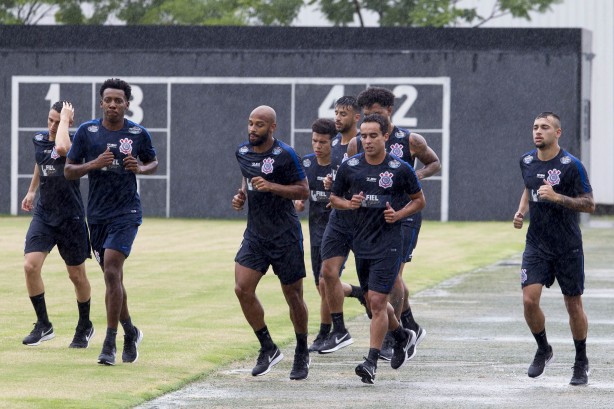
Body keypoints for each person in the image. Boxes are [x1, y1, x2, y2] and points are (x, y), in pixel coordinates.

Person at [65, 78, 158, 366]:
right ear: (101, 102)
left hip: (126, 213)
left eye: (119, 100)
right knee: (112, 277)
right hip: (97, 216)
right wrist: (94, 163)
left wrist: (140, 168)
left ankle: (110, 342)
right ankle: (131, 331)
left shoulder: (138, 133)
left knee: (112, 270)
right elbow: (68, 170)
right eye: (109, 100)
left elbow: (153, 162)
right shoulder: (87, 132)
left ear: (127, 104)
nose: (114, 104)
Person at [331, 113, 425, 384]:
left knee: (376, 302)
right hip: (362, 242)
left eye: (374, 135)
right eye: (363, 135)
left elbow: (419, 201)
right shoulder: (350, 166)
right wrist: (349, 204)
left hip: (389, 243)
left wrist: (399, 214)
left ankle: (371, 361)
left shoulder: (400, 168)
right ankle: (401, 335)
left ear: (385, 136)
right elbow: (335, 197)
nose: (368, 140)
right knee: (375, 302)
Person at [350, 86, 441, 360]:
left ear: (389, 111)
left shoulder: (409, 139)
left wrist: (415, 177)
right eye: (366, 115)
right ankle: (410, 325)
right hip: (372, 217)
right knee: (383, 280)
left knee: (393, 277)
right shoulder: (360, 140)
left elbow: (434, 162)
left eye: (376, 114)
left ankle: (393, 336)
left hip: (405, 214)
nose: (371, 120)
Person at [513, 112, 595, 386]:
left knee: (573, 304)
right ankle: (543, 348)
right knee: (528, 300)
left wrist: (557, 196)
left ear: (557, 133)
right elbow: (529, 187)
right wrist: (521, 211)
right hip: (537, 243)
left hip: (568, 246)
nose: (538, 131)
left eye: (545, 127)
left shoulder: (572, 165)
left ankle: (581, 361)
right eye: (535, 127)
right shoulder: (526, 161)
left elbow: (589, 204)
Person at [232, 105, 311, 380]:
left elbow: (304, 190)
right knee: (242, 289)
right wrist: (241, 195)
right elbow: (247, 180)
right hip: (256, 235)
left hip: (285, 236)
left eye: (259, 125)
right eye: (251, 124)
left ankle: (302, 351)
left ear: (272, 128)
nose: (253, 129)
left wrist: (272, 187)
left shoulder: (286, 155)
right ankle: (267, 347)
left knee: (293, 296)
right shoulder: (242, 151)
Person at [21, 101, 94, 348]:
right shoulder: (40, 139)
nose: (52, 125)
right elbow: (41, 164)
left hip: (70, 216)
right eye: (49, 120)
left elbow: (62, 148)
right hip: (45, 214)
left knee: (76, 275)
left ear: (67, 122)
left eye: (57, 121)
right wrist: (32, 192)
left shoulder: (75, 143)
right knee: (31, 266)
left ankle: (85, 325)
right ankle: (44, 325)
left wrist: (65, 120)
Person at [293, 118, 365, 353]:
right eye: (314, 141)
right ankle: (357, 292)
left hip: (339, 229)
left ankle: (328, 332)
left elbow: (353, 190)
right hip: (315, 230)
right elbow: (301, 191)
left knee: (326, 281)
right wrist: (299, 200)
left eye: (322, 142)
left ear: (332, 142)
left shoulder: (340, 165)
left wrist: (336, 191)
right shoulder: (306, 163)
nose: (317, 146)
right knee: (322, 286)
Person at [317, 96, 365, 354]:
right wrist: (330, 186)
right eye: (336, 113)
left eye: (343, 113)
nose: (337, 118)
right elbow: (332, 178)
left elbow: (366, 179)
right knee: (327, 275)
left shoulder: (362, 143)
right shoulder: (332, 143)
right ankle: (337, 330)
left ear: (357, 117)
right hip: (336, 219)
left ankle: (397, 331)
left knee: (378, 286)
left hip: (362, 220)